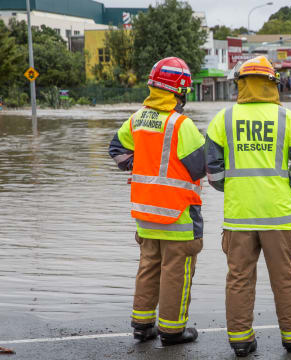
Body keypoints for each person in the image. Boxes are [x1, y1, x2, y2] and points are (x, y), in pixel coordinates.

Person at [204, 56, 291, 357]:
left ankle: (241, 340)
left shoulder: (223, 119)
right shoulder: (287, 118)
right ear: (272, 84)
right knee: (287, 278)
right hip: (279, 215)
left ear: (240, 84)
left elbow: (212, 170)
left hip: (238, 217)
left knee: (239, 278)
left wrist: (233, 188)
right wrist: (288, 187)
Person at [108, 57, 206, 347]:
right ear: (179, 92)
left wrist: (140, 165)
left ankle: (142, 326)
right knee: (176, 271)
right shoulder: (181, 124)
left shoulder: (137, 118)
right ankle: (173, 331)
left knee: (148, 267)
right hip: (178, 215)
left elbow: (117, 150)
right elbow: (200, 166)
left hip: (145, 213)